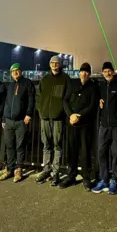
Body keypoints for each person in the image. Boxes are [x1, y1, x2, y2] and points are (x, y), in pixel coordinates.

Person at [91, 61, 117, 195]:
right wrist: (98, 101)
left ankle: (114, 180)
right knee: (101, 152)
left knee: (116, 153)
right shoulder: (101, 85)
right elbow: (97, 98)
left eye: (109, 70)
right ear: (102, 72)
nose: (107, 73)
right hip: (104, 125)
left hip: (116, 125)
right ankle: (104, 179)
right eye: (105, 71)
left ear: (113, 71)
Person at [59, 62, 98, 191]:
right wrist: (71, 115)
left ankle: (86, 177)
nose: (84, 73)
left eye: (86, 71)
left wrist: (79, 116)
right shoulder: (73, 84)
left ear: (89, 74)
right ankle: (71, 175)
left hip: (85, 125)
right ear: (79, 72)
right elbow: (65, 100)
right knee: (71, 150)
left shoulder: (93, 87)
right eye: (82, 71)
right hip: (72, 123)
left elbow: (92, 106)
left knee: (85, 151)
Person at [34, 56, 71, 186]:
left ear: (60, 65)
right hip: (45, 117)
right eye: (52, 63)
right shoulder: (44, 79)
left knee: (57, 145)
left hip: (58, 118)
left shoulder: (65, 79)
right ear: (50, 64)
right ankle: (46, 169)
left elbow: (67, 96)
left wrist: (61, 111)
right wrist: (40, 110)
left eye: (57, 63)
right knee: (46, 145)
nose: (55, 65)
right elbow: (38, 96)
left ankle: (55, 172)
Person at [0, 63, 36, 183]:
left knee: (20, 146)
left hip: (21, 120)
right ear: (11, 73)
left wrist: (29, 114)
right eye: (13, 71)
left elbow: (31, 99)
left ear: (21, 71)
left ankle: (18, 169)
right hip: (8, 120)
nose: (15, 72)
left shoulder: (27, 83)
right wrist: (4, 118)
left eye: (17, 70)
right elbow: (6, 103)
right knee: (9, 146)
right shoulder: (10, 85)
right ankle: (9, 169)